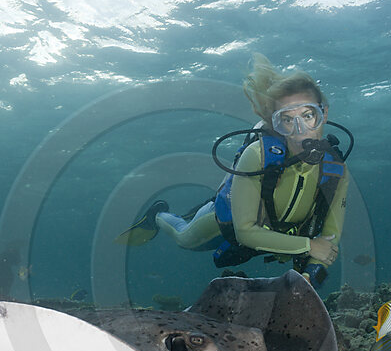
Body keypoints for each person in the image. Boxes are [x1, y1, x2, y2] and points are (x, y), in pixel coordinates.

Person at [117, 54, 349, 288]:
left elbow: (329, 240)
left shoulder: (337, 171)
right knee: (184, 238)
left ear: (324, 113)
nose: (300, 130)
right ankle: (158, 216)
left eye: (308, 116)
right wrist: (309, 246)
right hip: (224, 220)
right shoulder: (257, 156)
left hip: (279, 235)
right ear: (275, 123)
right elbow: (245, 232)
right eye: (287, 120)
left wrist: (309, 275)